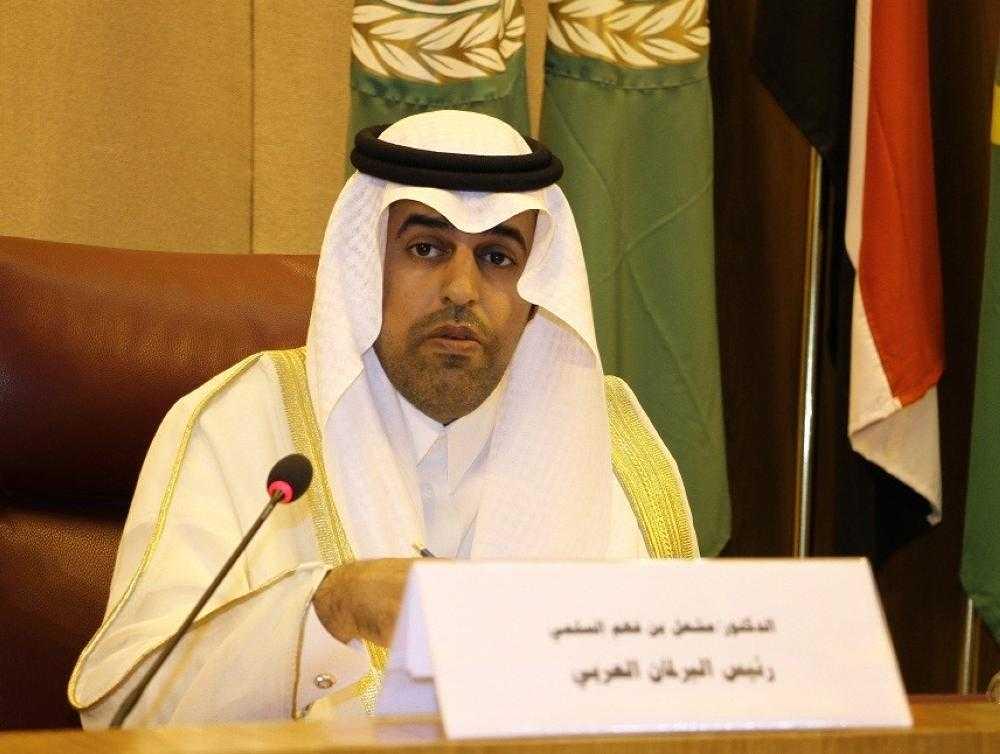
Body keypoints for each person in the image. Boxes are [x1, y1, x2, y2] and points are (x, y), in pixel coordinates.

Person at [69, 110, 698, 728]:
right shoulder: (243, 424)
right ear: (367, 265)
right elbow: (123, 713)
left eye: (498, 257)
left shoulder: (613, 448)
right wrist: (330, 608)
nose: (462, 289)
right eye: (427, 248)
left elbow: (691, 703)